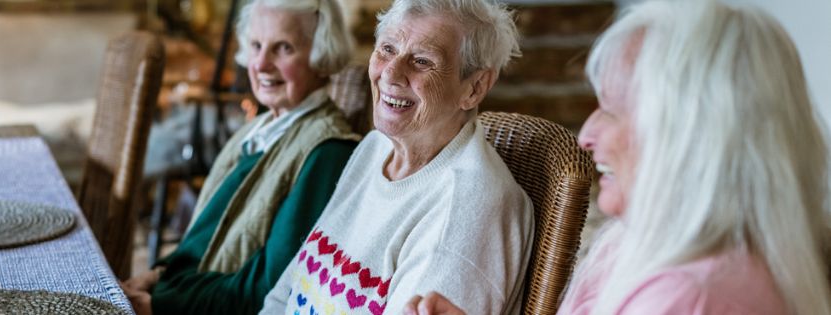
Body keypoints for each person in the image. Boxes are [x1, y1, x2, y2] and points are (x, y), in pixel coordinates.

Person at [407, 1, 831, 314]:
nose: (587, 135)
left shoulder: (690, 298)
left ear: (694, 132)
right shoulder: (635, 240)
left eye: (613, 108)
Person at [259, 0, 534, 314]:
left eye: (421, 61)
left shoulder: (469, 207)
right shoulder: (375, 148)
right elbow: (286, 292)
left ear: (474, 87)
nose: (390, 73)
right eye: (387, 49)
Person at [121, 0, 360, 314]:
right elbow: (199, 243)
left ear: (321, 56)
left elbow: (269, 289)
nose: (260, 64)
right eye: (256, 45)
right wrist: (155, 276)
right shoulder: (258, 130)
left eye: (283, 48)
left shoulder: (327, 152)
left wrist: (160, 304)